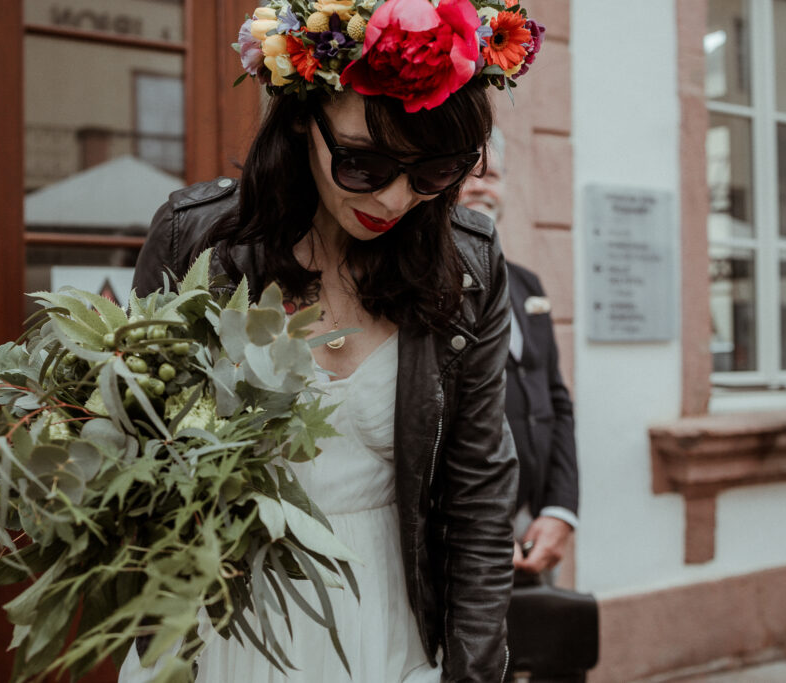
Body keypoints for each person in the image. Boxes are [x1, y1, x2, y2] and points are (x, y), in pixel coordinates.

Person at [126, 1, 546, 680]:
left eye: (436, 173)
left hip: (386, 615)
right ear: (301, 117)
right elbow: (136, 455)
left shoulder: (467, 267)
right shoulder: (195, 243)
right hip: (224, 617)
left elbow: (478, 492)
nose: (395, 199)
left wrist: (472, 669)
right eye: (363, 164)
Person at [459, 130, 579, 581]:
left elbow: (557, 401)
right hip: (465, 528)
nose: (480, 186)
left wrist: (561, 508)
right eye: (466, 175)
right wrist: (481, 522)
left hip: (535, 525)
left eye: (491, 175)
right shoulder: (422, 285)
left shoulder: (528, 285)